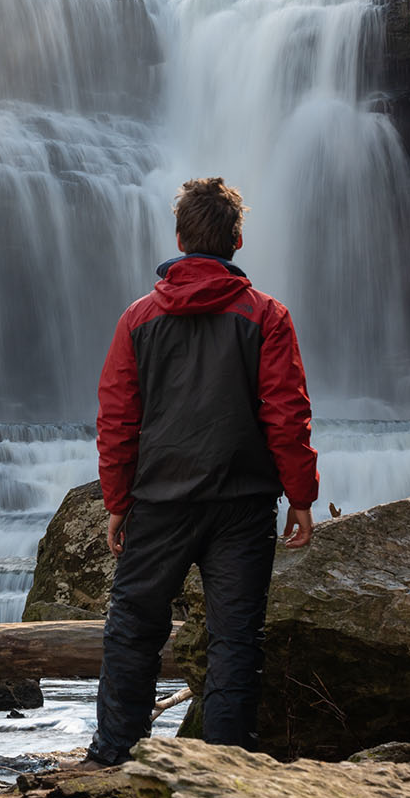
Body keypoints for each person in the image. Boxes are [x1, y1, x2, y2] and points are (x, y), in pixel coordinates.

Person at [83, 176, 319, 765]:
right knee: (235, 640)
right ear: (237, 241)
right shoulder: (266, 316)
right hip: (243, 505)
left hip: (160, 501)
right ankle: (227, 770)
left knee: (134, 630)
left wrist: (117, 500)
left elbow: (117, 417)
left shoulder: (137, 320)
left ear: (182, 239)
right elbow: (286, 414)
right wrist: (302, 495)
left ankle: (114, 757)